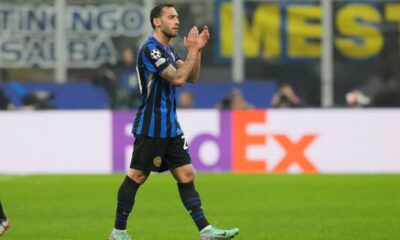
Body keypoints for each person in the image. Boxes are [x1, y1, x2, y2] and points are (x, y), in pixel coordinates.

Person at [109, 3, 239, 240]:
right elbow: (178, 79)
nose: (177, 21)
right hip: (151, 123)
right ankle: (118, 231)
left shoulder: (169, 51)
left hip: (169, 126)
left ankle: (206, 231)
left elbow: (192, 76)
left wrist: (196, 50)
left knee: (186, 174)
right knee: (137, 176)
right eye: (171, 17)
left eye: (178, 17)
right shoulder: (151, 49)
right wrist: (191, 53)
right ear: (156, 22)